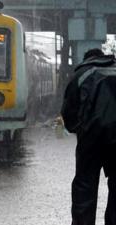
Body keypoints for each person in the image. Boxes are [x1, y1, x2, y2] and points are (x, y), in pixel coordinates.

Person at [61, 48, 116, 225]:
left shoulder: (81, 75)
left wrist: (81, 128)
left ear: (87, 59)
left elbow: (68, 113)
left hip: (91, 138)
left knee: (85, 186)